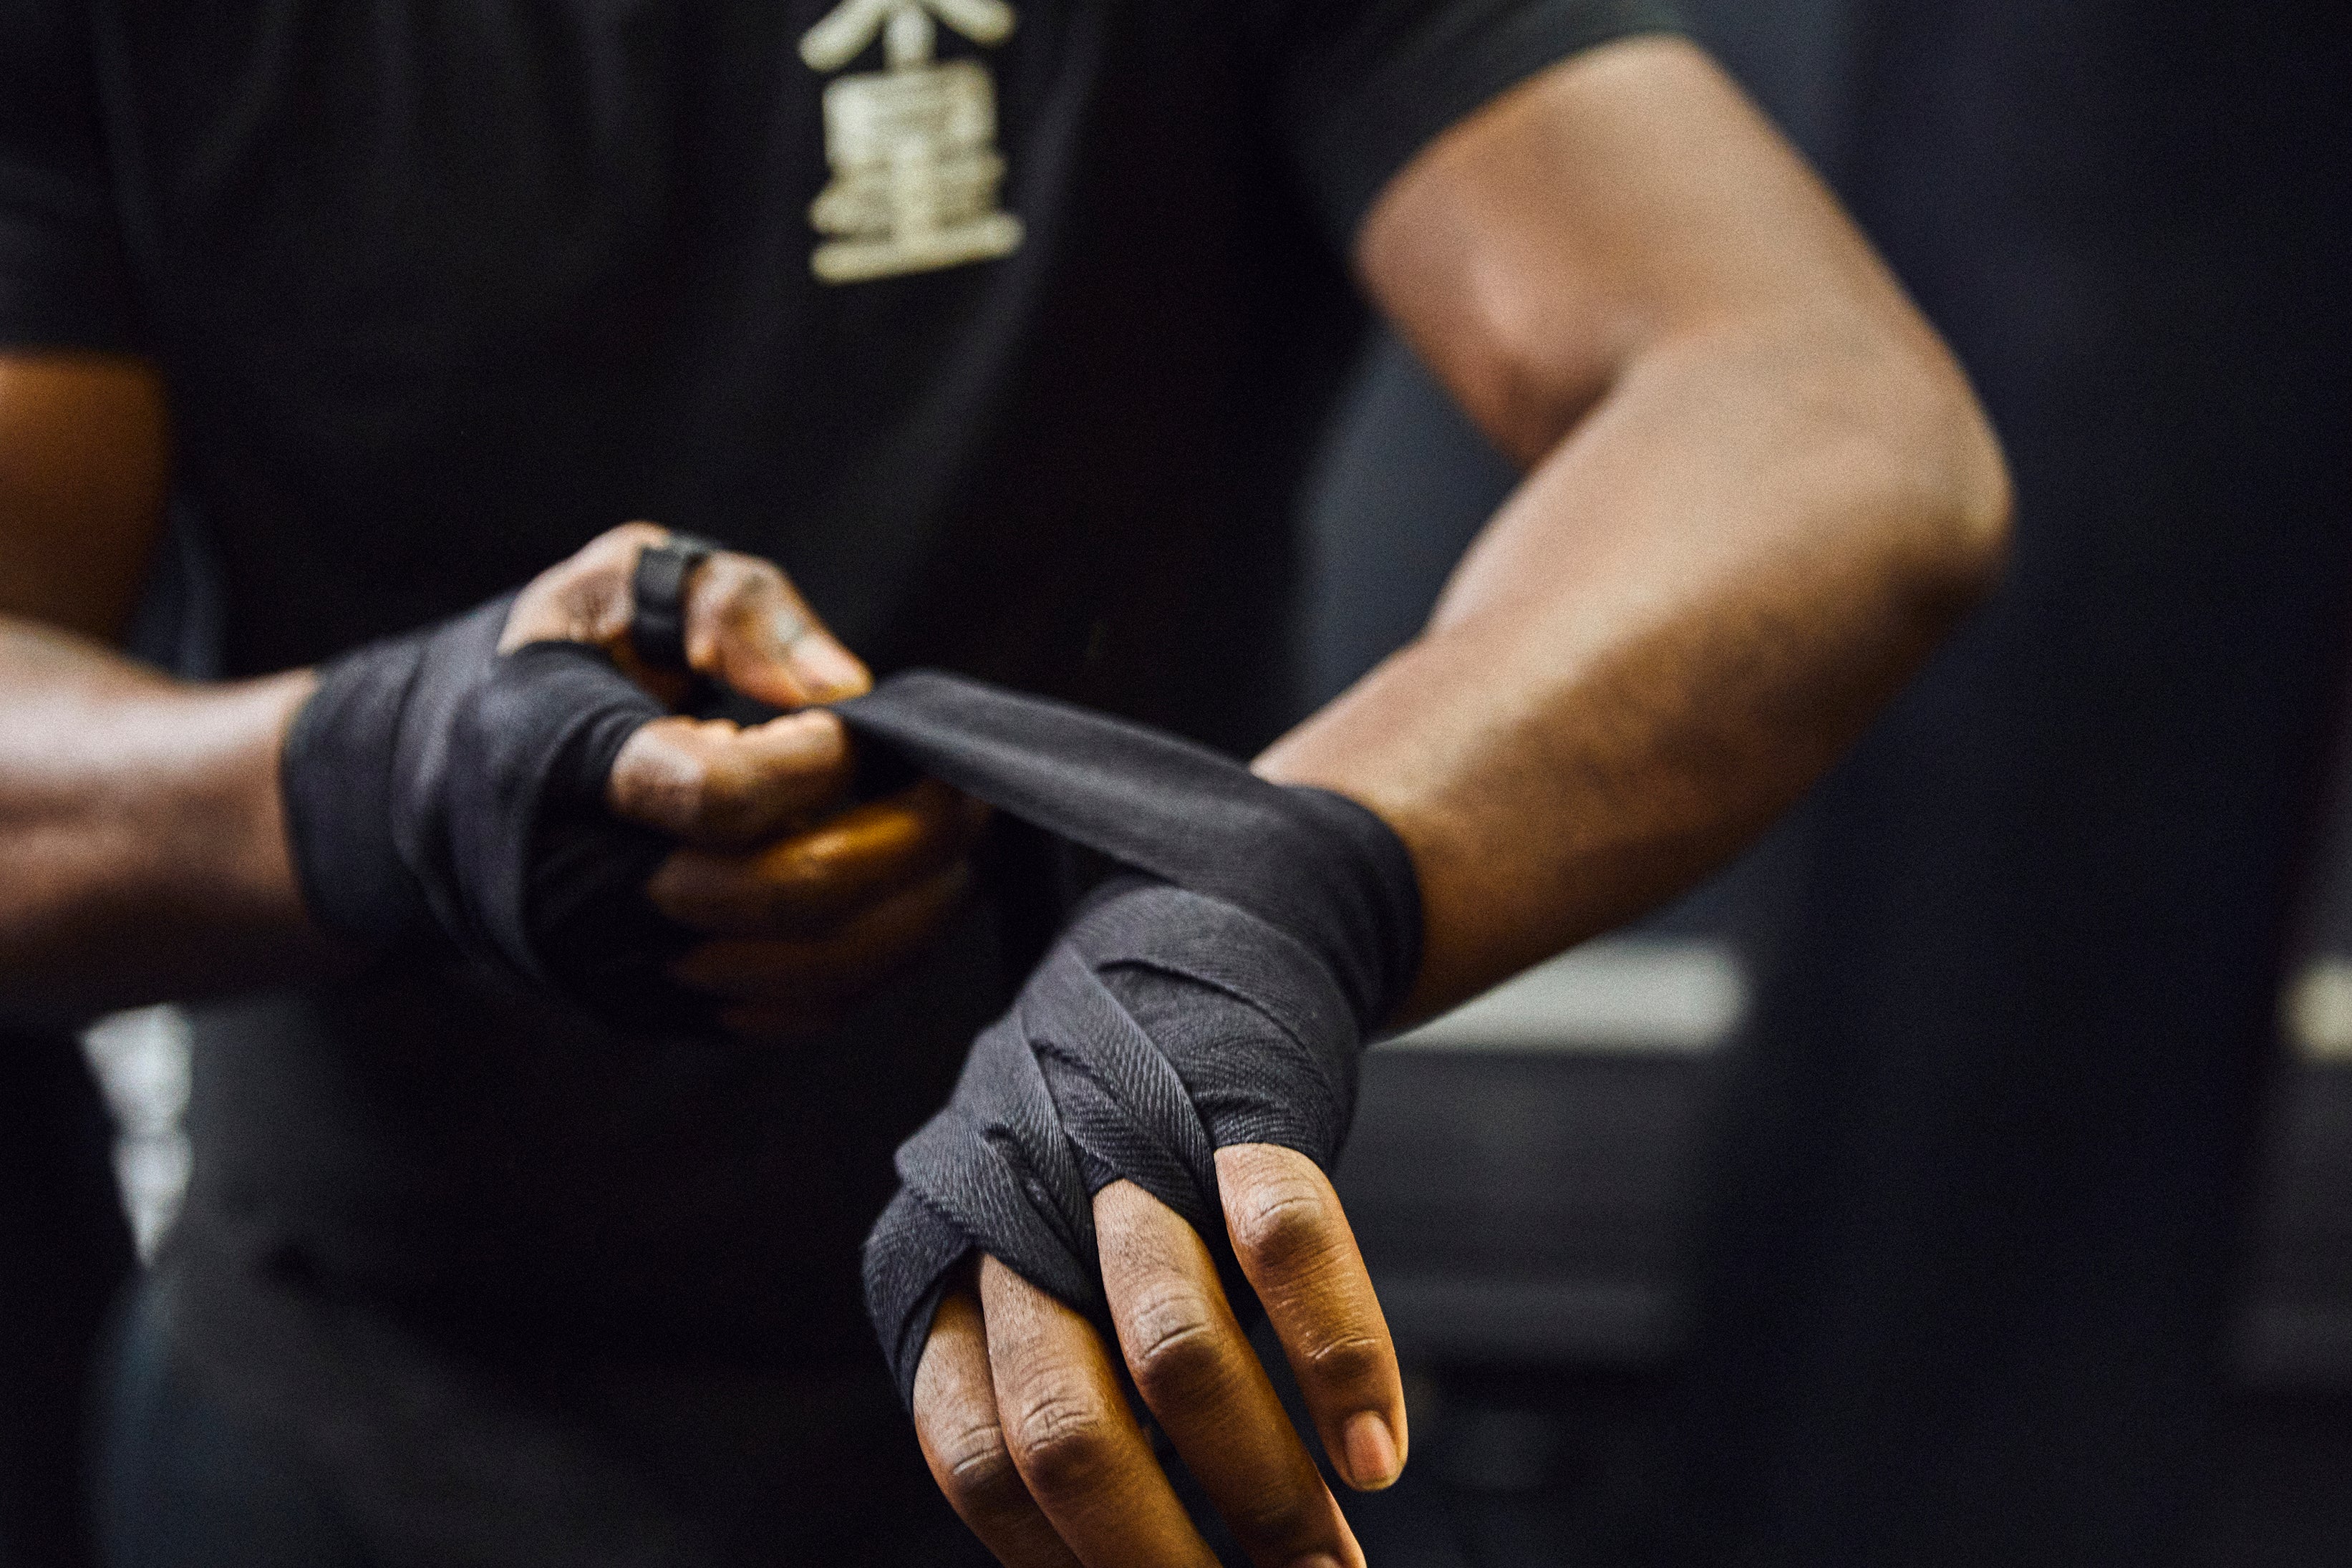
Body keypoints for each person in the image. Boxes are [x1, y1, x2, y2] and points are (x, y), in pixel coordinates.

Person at [0, 0, 2008, 1562]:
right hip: (359, 1423)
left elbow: (1823, 421)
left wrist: (1272, 889)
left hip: (1127, 1364)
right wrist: (389, 773)